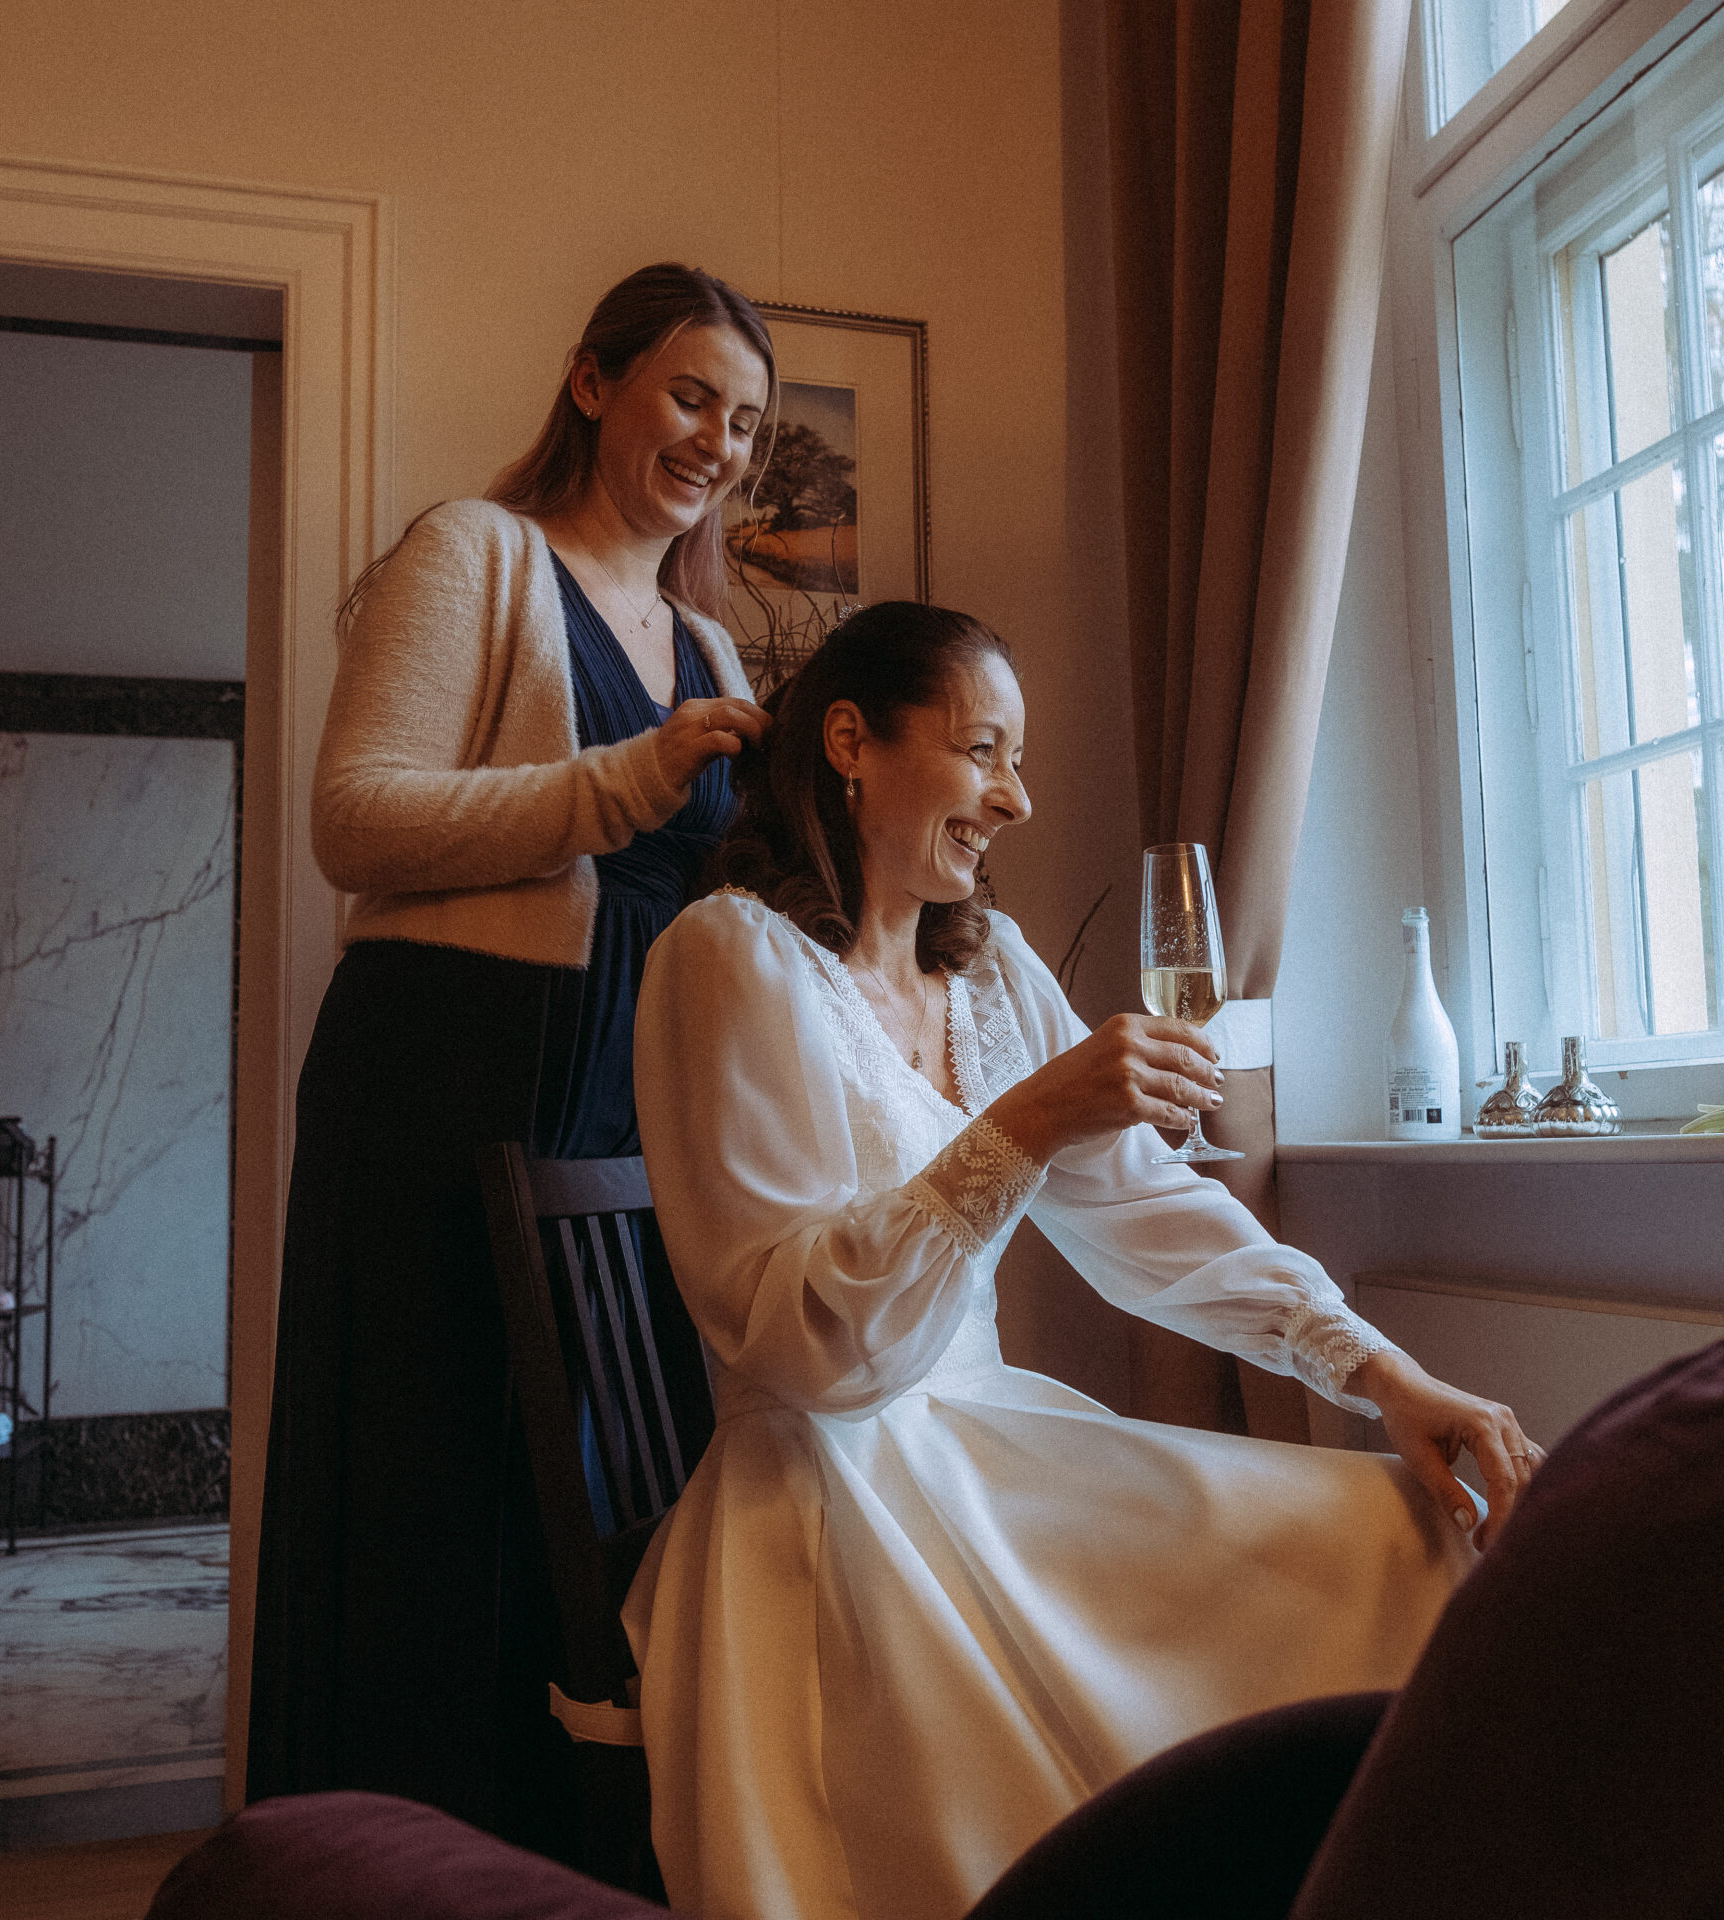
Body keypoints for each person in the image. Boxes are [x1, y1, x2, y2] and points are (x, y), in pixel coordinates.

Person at [627, 602, 1547, 1920]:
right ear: (850, 742)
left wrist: (1377, 1372)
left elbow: (1146, 1210)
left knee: (1402, 1530)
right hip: (830, 1497)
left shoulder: (993, 972)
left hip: (994, 1446)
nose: (1018, 798)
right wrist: (1031, 1118)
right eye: (983, 752)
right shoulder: (727, 961)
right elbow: (807, 1352)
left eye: (1018, 762)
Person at [248, 264, 775, 1860]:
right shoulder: (473, 553)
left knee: (600, 1513)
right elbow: (355, 820)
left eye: (747, 423)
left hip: (631, 1107)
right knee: (432, 1505)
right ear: (594, 383)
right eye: (693, 397)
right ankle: (385, 1871)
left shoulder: (713, 646)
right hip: (448, 1075)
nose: (720, 443)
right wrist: (621, 782)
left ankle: (567, 1869)